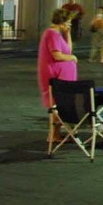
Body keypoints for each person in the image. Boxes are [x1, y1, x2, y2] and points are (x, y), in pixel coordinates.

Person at [37, 9, 78, 142]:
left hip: (61, 75)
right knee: (56, 104)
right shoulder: (52, 34)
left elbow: (67, 49)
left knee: (59, 104)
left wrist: (68, 34)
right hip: (55, 76)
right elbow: (57, 55)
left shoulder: (57, 34)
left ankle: (56, 134)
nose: (70, 25)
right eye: (69, 23)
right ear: (62, 22)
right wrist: (72, 58)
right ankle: (53, 134)